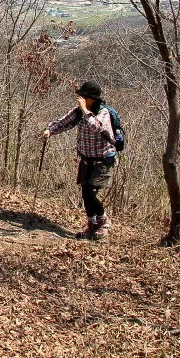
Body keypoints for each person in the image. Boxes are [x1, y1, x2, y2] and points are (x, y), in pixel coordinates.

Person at [42, 80, 117, 240]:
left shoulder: (103, 113)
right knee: (85, 193)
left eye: (83, 96)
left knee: (90, 192)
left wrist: (84, 109)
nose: (80, 98)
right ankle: (91, 225)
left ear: (92, 98)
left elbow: (96, 127)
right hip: (86, 159)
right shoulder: (78, 112)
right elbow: (64, 122)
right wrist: (50, 130)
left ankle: (103, 221)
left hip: (103, 160)